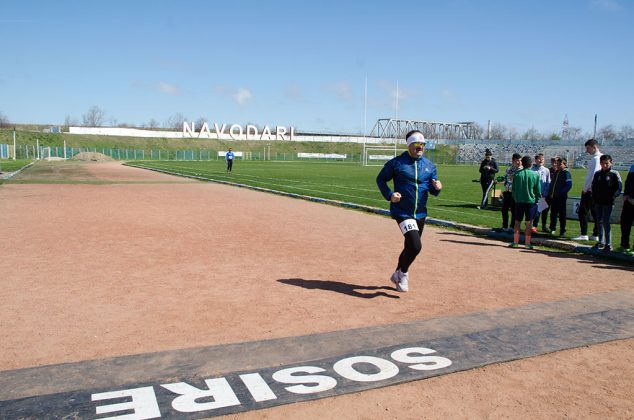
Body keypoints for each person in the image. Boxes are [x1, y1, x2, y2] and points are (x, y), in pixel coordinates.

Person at [376, 130, 442, 292]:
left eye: (423, 144)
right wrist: (390, 195)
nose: (420, 147)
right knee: (416, 246)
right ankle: (404, 273)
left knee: (410, 247)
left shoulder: (429, 165)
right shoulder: (397, 163)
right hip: (402, 212)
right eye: (417, 144)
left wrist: (437, 188)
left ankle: (397, 274)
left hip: (420, 213)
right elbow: (381, 179)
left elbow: (432, 191)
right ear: (409, 145)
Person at [590, 155, 622, 252]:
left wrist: (613, 196)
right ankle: (601, 242)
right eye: (602, 163)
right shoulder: (597, 174)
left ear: (611, 162)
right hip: (598, 202)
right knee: (599, 221)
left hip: (608, 202)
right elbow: (593, 186)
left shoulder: (614, 173)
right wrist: (594, 197)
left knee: (606, 221)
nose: (604, 165)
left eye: (606, 163)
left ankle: (608, 244)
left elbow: (619, 187)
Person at [572, 139, 602, 241]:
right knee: (595, 212)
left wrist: (585, 188)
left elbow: (593, 175)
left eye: (588, 148)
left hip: (590, 190)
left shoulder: (596, 159)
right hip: (596, 190)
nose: (587, 151)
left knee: (583, 211)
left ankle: (584, 234)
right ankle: (596, 234)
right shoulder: (599, 157)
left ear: (594, 147)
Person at [509, 155, 541, 249]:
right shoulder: (535, 174)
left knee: (517, 222)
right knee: (529, 223)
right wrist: (537, 199)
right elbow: (538, 190)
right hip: (531, 202)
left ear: (522, 163)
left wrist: (516, 199)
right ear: (531, 164)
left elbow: (513, 189)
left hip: (519, 201)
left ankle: (515, 242)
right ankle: (527, 243)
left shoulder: (517, 174)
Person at [548, 157, 572, 236]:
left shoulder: (566, 173)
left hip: (561, 198)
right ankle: (552, 228)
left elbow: (569, 185)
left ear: (565, 164)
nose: (557, 165)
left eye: (560, 164)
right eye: (557, 164)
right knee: (553, 214)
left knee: (562, 215)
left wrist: (561, 193)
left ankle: (562, 231)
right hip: (553, 197)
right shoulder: (556, 172)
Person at [616, 164, 634, 255]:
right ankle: (624, 245)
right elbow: (628, 182)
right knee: (625, 223)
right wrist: (626, 195)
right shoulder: (632, 167)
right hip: (628, 200)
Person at [501, 153, 522, 232]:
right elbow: (506, 179)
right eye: (518, 160)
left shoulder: (521, 170)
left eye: (520, 160)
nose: (519, 162)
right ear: (513, 160)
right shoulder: (508, 169)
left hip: (516, 193)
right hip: (507, 192)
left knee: (514, 210)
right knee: (504, 209)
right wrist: (506, 186)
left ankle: (512, 227)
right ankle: (504, 226)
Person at [531, 153, 551, 233]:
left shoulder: (546, 170)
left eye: (542, 159)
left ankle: (534, 226)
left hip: (542, 195)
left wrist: (545, 193)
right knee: (531, 210)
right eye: (539, 159)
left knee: (539, 210)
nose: (541, 160)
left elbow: (548, 183)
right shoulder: (531, 170)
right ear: (535, 160)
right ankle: (529, 225)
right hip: (532, 194)